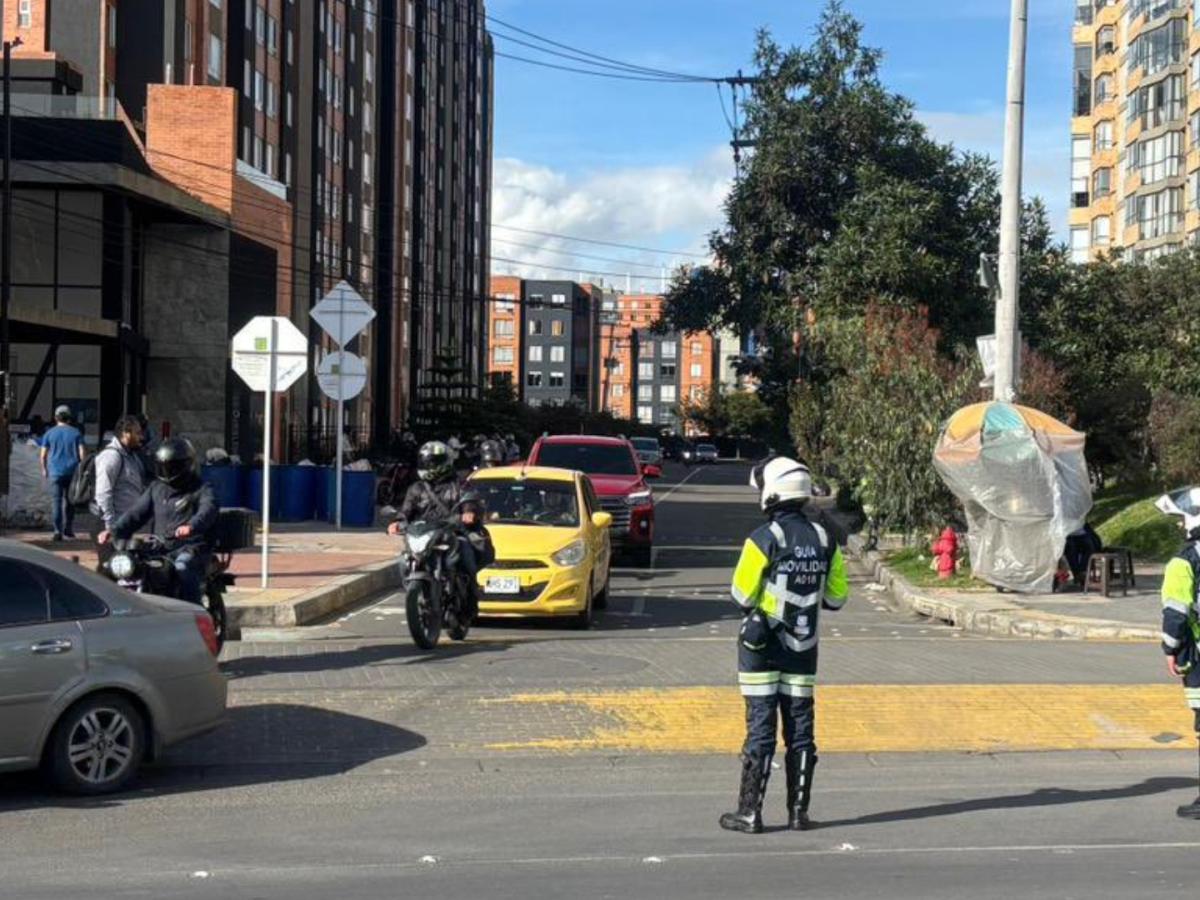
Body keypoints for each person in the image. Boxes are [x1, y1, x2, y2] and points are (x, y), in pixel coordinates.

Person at [720, 456, 850, 834]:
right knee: (801, 730)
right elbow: (837, 598)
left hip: (761, 648)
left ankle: (749, 813)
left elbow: (741, 595)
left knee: (760, 728)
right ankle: (798, 812)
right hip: (803, 648)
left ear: (772, 491)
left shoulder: (764, 538)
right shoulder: (826, 540)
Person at [98, 438, 218, 606]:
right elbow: (135, 514)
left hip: (191, 548)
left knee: (183, 568)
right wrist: (114, 530)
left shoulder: (202, 488)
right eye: (164, 466)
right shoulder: (157, 488)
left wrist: (191, 526)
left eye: (172, 467)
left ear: (186, 465)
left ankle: (195, 614)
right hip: (160, 548)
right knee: (114, 568)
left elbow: (208, 510)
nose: (168, 471)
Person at [1157, 487, 1200, 819]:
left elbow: (1176, 614)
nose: (1179, 526)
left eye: (1181, 518)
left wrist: (1170, 649)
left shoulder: (1183, 562)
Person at [92, 415, 150, 539]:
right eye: (138, 433)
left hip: (124, 525)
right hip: (109, 527)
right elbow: (103, 493)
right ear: (126, 433)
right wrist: (110, 527)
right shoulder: (111, 456)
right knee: (114, 559)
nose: (142, 437)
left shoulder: (132, 456)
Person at [39, 405, 87, 541]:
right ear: (69, 418)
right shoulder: (76, 433)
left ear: (55, 418)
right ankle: (69, 529)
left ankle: (57, 531)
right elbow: (82, 453)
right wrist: (83, 470)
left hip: (55, 472)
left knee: (56, 502)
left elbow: (43, 454)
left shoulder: (49, 433)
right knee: (70, 502)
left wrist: (44, 469)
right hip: (72, 472)